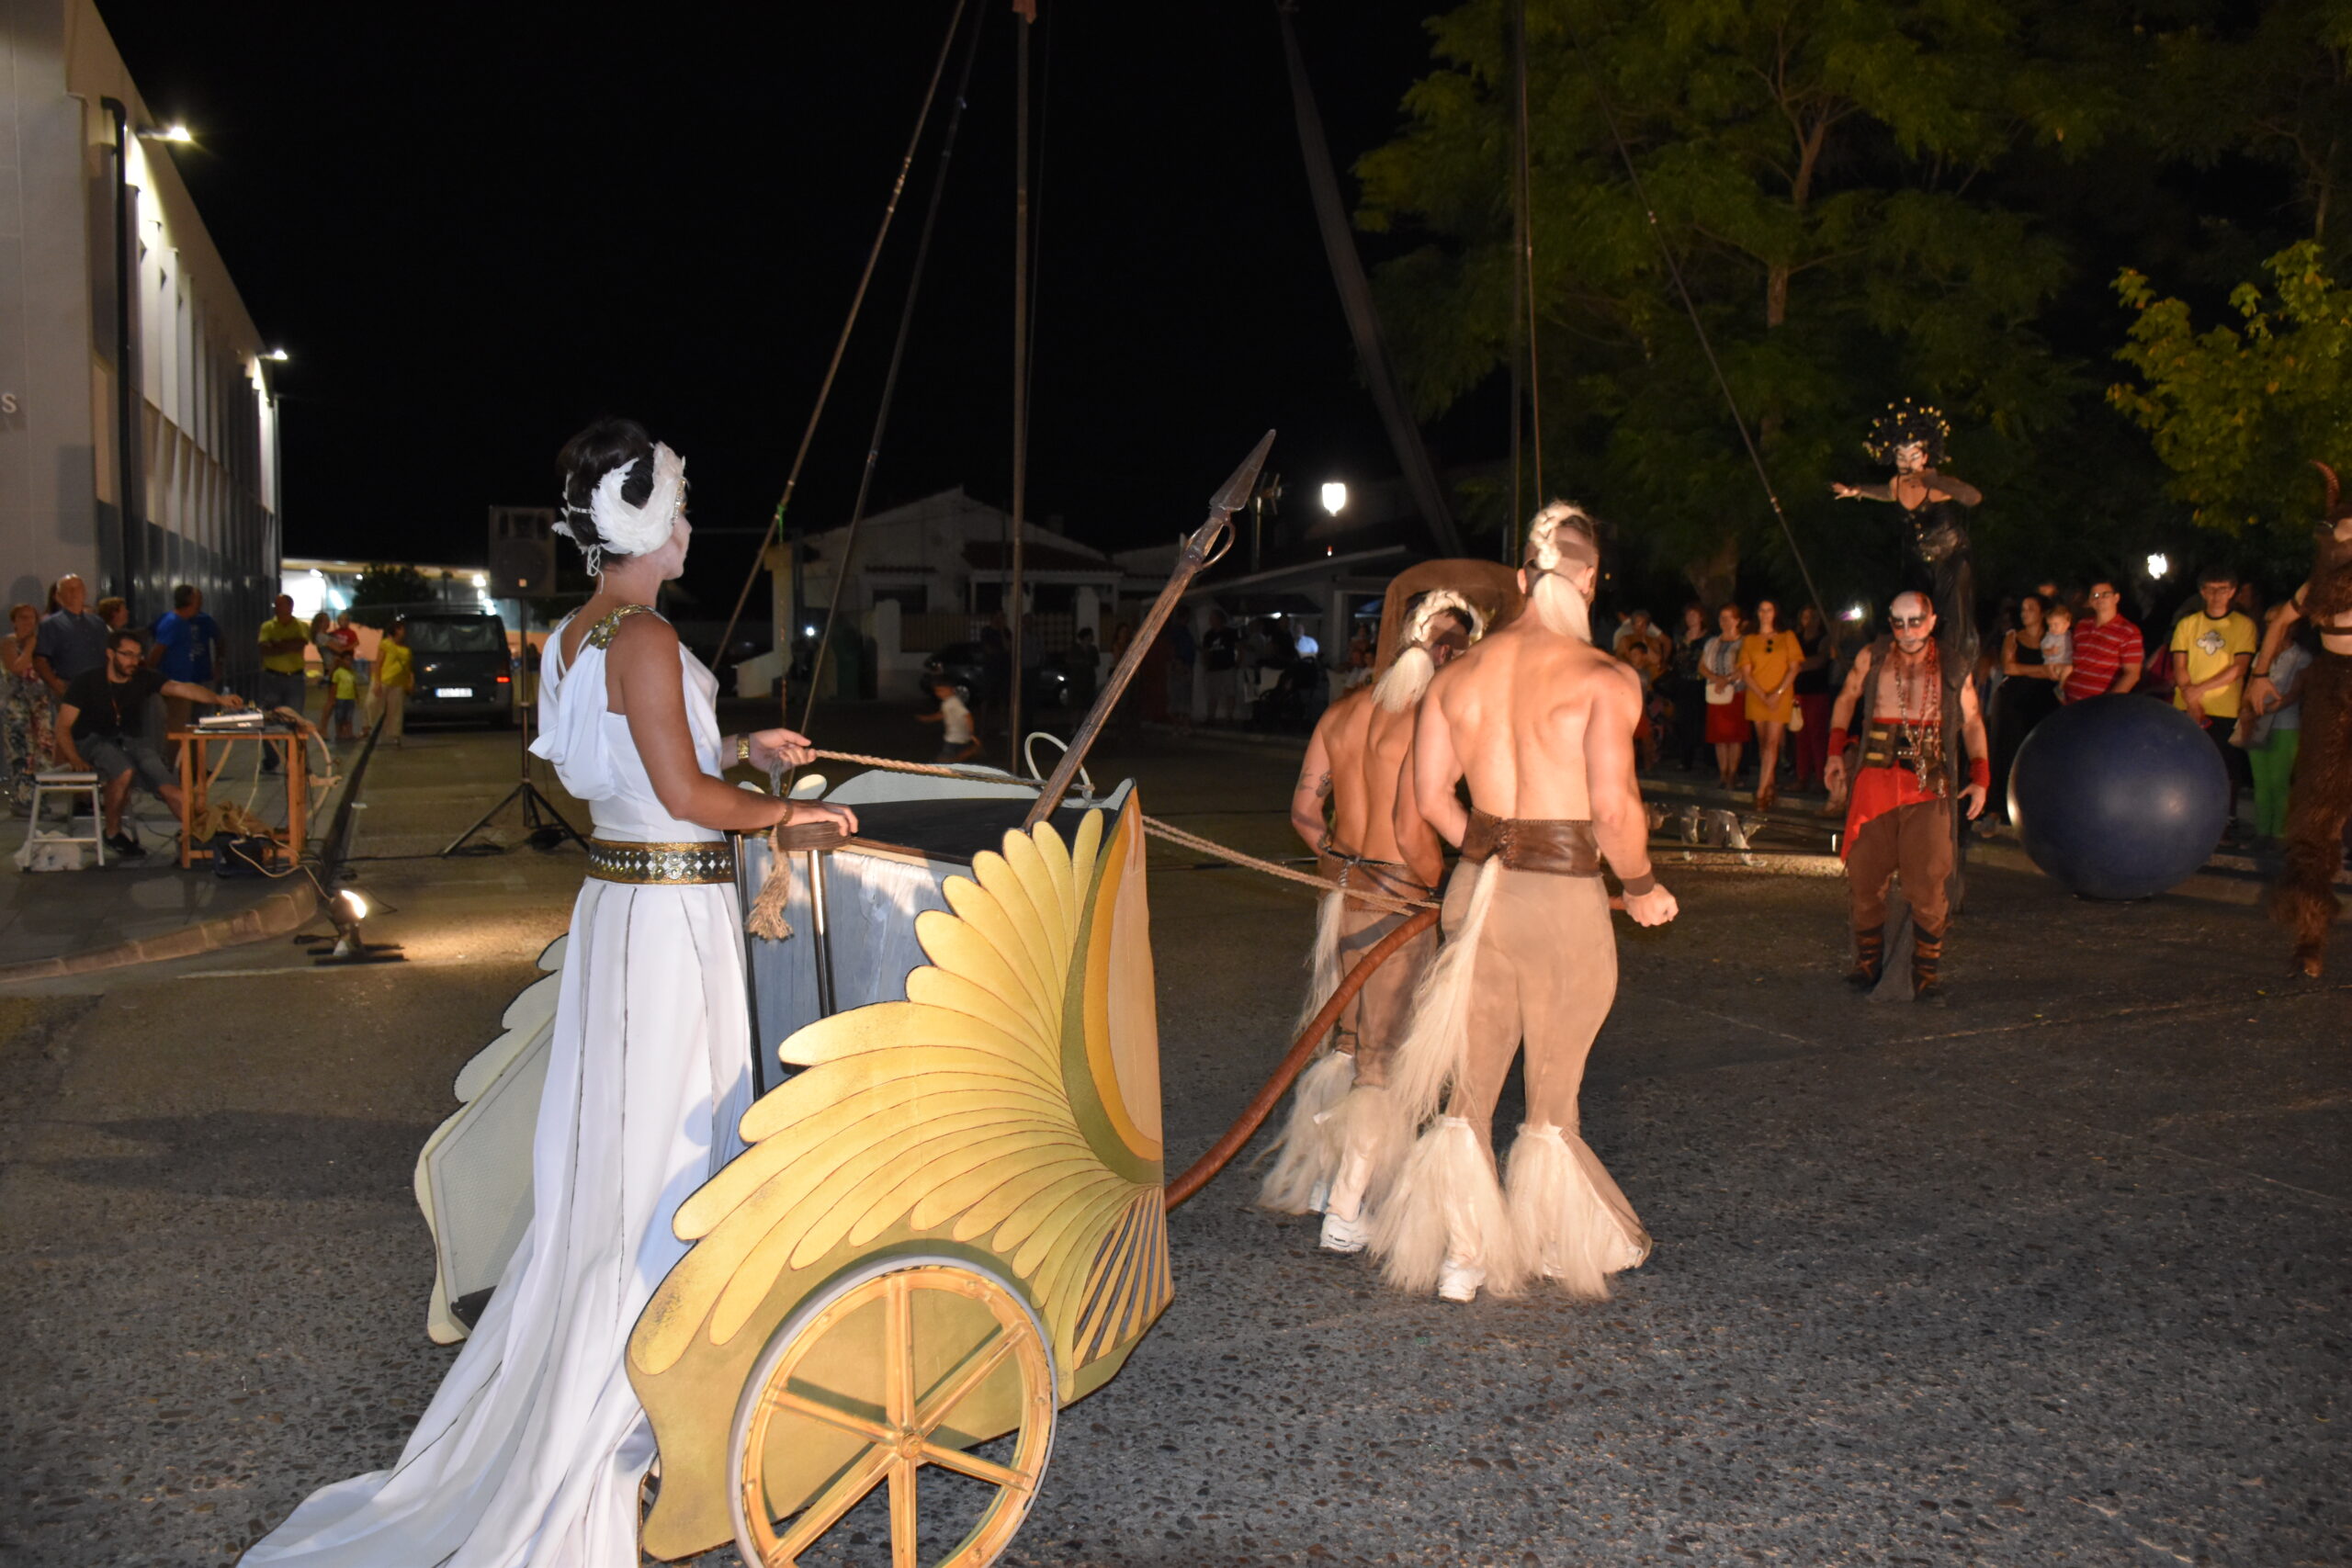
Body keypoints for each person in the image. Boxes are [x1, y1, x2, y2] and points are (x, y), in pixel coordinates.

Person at [242, 418, 856, 1567]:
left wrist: (746, 745)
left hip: (621, 903)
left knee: (621, 1156)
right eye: (675, 508)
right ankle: (649, 1395)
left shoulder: (582, 633)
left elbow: (638, 771)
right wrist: (786, 811)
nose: (686, 526)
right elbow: (680, 789)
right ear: (643, 526)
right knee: (671, 1153)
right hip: (668, 919)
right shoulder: (647, 634)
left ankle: (654, 1372)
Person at [1373, 503, 1676, 1305]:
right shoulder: (1604, 678)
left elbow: (1431, 795)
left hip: (1475, 891)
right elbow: (1612, 809)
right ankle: (1548, 1243)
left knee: (1470, 1082)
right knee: (1552, 1088)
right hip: (1562, 899)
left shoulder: (1458, 676)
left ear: (1519, 580)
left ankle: (1462, 1258)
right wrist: (1642, 887)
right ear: (1589, 579)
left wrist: (1493, 847)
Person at [1262, 586, 1487, 1254]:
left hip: (1345, 900)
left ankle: (1321, 1180)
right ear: (1447, 650)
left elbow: (1306, 814)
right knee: (1380, 1060)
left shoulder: (1343, 711)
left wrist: (1341, 867)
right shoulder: (1425, 720)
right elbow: (1410, 825)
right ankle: (1347, 1211)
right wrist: (1435, 883)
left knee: (1350, 1044)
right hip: (1394, 906)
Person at [1822, 592, 1992, 1003]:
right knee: (1863, 879)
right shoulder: (1874, 656)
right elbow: (1846, 697)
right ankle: (1867, 964)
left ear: (1931, 621)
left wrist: (1981, 776)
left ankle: (1926, 972)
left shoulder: (1951, 663)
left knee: (1929, 881)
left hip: (1929, 785)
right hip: (1874, 782)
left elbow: (1971, 721)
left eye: (1915, 621)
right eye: (1898, 622)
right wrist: (1834, 753)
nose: (1907, 631)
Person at [2245, 462, 2352, 977]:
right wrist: (2260, 673)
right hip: (2332, 688)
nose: (2336, 540)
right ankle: (2310, 938)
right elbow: (2283, 620)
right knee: (2314, 816)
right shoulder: (2318, 586)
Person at [54, 628, 245, 856]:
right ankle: (113, 832)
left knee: (169, 787)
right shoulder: (87, 681)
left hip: (132, 742)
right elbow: (63, 726)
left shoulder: (143, 677)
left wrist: (217, 698)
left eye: (137, 655)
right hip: (95, 741)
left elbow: (180, 688)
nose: (133, 661)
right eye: (126, 654)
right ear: (110, 654)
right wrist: (74, 758)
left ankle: (202, 835)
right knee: (123, 770)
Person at [2169, 567, 2258, 818]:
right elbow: (2179, 664)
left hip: (2223, 707)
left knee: (2221, 766)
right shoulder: (2188, 624)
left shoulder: (2243, 625)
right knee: (2185, 764)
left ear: (2232, 592)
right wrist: (2191, 698)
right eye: (2210, 589)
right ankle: (2185, 816)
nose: (2216, 595)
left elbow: (2239, 667)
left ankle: (2223, 820)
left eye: (2222, 589)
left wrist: (2200, 691)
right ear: (2202, 592)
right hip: (2187, 706)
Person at [2239, 611, 2311, 843]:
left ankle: (2279, 833)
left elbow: (2294, 694)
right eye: (2268, 622)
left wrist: (2263, 710)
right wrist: (2247, 713)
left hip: (2285, 725)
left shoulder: (2301, 656)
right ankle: (2262, 831)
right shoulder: (2262, 655)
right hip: (2258, 722)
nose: (2272, 626)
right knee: (2261, 781)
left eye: (2276, 622)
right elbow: (2250, 685)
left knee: (2279, 781)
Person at [1988, 594, 2062, 818]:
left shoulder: (2054, 639)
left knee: (2038, 752)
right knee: (2008, 750)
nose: (2025, 613)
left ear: (2041, 613)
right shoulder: (2013, 637)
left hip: (2042, 700)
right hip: (2014, 700)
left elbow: (2057, 670)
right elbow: (2009, 667)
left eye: (2030, 608)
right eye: (2023, 609)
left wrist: (2027, 669)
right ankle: (1998, 807)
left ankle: (2032, 806)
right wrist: (2041, 671)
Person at [1736, 599, 1799, 808]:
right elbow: (1745, 671)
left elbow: (1794, 667)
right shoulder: (1750, 640)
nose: (1765, 614)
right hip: (1757, 694)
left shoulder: (1786, 637)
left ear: (1775, 613)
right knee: (1763, 743)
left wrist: (1777, 692)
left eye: (1769, 610)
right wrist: (1762, 694)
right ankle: (1770, 784)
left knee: (1773, 742)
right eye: (1761, 610)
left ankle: (1761, 791)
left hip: (1780, 694)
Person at [149, 583, 225, 745]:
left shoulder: (186, 621)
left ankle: (192, 766)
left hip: (189, 681)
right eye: (198, 598)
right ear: (191, 601)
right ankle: (177, 767)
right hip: (176, 685)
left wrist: (218, 663)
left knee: (192, 725)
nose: (201, 602)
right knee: (177, 728)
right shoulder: (173, 622)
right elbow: (157, 650)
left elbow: (220, 639)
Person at [2, 602, 56, 806]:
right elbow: (16, 667)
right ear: (14, 621)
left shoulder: (41, 643)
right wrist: (30, 646)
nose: (28, 622)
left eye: (31, 617)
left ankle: (42, 797)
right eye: (22, 617)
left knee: (43, 751)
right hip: (18, 707)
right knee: (21, 751)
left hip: (39, 706)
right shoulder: (9, 642)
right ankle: (23, 797)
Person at [255, 595, 312, 773]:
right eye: (276, 605)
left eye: (280, 605)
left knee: (295, 720)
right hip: (271, 678)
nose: (276, 608)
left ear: (290, 607)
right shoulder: (267, 626)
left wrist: (277, 644)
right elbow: (264, 648)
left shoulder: (300, 626)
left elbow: (299, 643)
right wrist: (286, 645)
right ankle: (271, 760)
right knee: (270, 719)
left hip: (294, 679)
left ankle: (296, 761)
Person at [2064, 581, 2143, 703]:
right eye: (2095, 595)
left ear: (2116, 598)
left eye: (2105, 594)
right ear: (2090, 601)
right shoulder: (2082, 626)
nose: (2099, 598)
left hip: (2099, 705)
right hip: (2070, 702)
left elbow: (2132, 674)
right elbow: (2074, 661)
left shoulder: (2129, 631)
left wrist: (2108, 703)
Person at [32, 573, 109, 697]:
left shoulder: (97, 622)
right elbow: (40, 660)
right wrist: (55, 684)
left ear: (84, 592)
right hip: (69, 686)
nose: (74, 592)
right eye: (69, 589)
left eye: (78, 588)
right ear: (58, 596)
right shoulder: (51, 624)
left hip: (99, 686)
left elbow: (108, 653)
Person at [1702, 604, 1747, 789]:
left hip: (1735, 691)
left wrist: (1727, 679)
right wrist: (1716, 679)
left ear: (1737, 620)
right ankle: (1722, 773)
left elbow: (1745, 667)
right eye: (1721, 618)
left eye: (1728, 618)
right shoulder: (1712, 642)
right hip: (1717, 692)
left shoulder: (1744, 642)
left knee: (1734, 736)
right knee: (1719, 736)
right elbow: (1702, 665)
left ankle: (1732, 773)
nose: (1724, 622)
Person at [1791, 604, 1836, 791]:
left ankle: (1819, 778)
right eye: (1805, 617)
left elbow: (1819, 661)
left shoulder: (1824, 640)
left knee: (1817, 735)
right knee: (1800, 734)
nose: (1808, 621)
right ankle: (1802, 777)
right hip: (1798, 692)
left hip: (1817, 692)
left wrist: (1796, 666)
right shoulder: (1795, 639)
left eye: (1812, 617)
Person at [1668, 604, 1710, 771]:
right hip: (1682, 682)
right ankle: (1686, 759)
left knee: (1701, 720)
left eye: (1694, 614)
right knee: (1683, 720)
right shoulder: (1680, 638)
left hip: (1700, 682)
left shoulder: (1708, 638)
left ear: (1701, 617)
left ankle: (1706, 758)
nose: (1691, 617)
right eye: (1688, 614)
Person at [368, 620, 415, 747]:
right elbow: (378, 663)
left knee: (396, 710)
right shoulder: (385, 644)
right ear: (396, 630)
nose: (404, 632)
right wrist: (377, 682)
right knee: (375, 706)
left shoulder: (406, 649)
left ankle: (395, 735)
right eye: (402, 629)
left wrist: (411, 681)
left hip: (399, 683)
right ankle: (374, 733)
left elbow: (409, 668)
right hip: (384, 680)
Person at [916, 677, 980, 763]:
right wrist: (928, 719)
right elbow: (942, 715)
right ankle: (969, 753)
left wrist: (971, 731)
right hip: (957, 735)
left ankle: (969, 753)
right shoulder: (947, 702)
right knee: (955, 757)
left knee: (946, 759)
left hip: (955, 736)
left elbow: (967, 715)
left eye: (942, 690)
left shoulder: (953, 702)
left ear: (952, 690)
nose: (939, 693)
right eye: (937, 691)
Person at [1200, 608, 1240, 725]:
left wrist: (1237, 663)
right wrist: (1206, 664)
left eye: (1213, 618)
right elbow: (1205, 651)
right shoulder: (1209, 635)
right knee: (1212, 693)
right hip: (1214, 668)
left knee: (1230, 692)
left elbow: (1239, 648)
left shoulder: (1230, 633)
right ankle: (1210, 716)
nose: (1211, 621)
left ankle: (1229, 716)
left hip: (1228, 667)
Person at [327, 653, 360, 743]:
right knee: (339, 717)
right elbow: (334, 686)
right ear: (342, 661)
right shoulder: (338, 672)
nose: (349, 662)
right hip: (340, 698)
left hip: (350, 698)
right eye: (347, 660)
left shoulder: (352, 672)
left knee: (349, 717)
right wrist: (333, 699)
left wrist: (357, 696)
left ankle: (349, 733)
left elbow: (354, 685)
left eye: (350, 660)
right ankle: (339, 733)